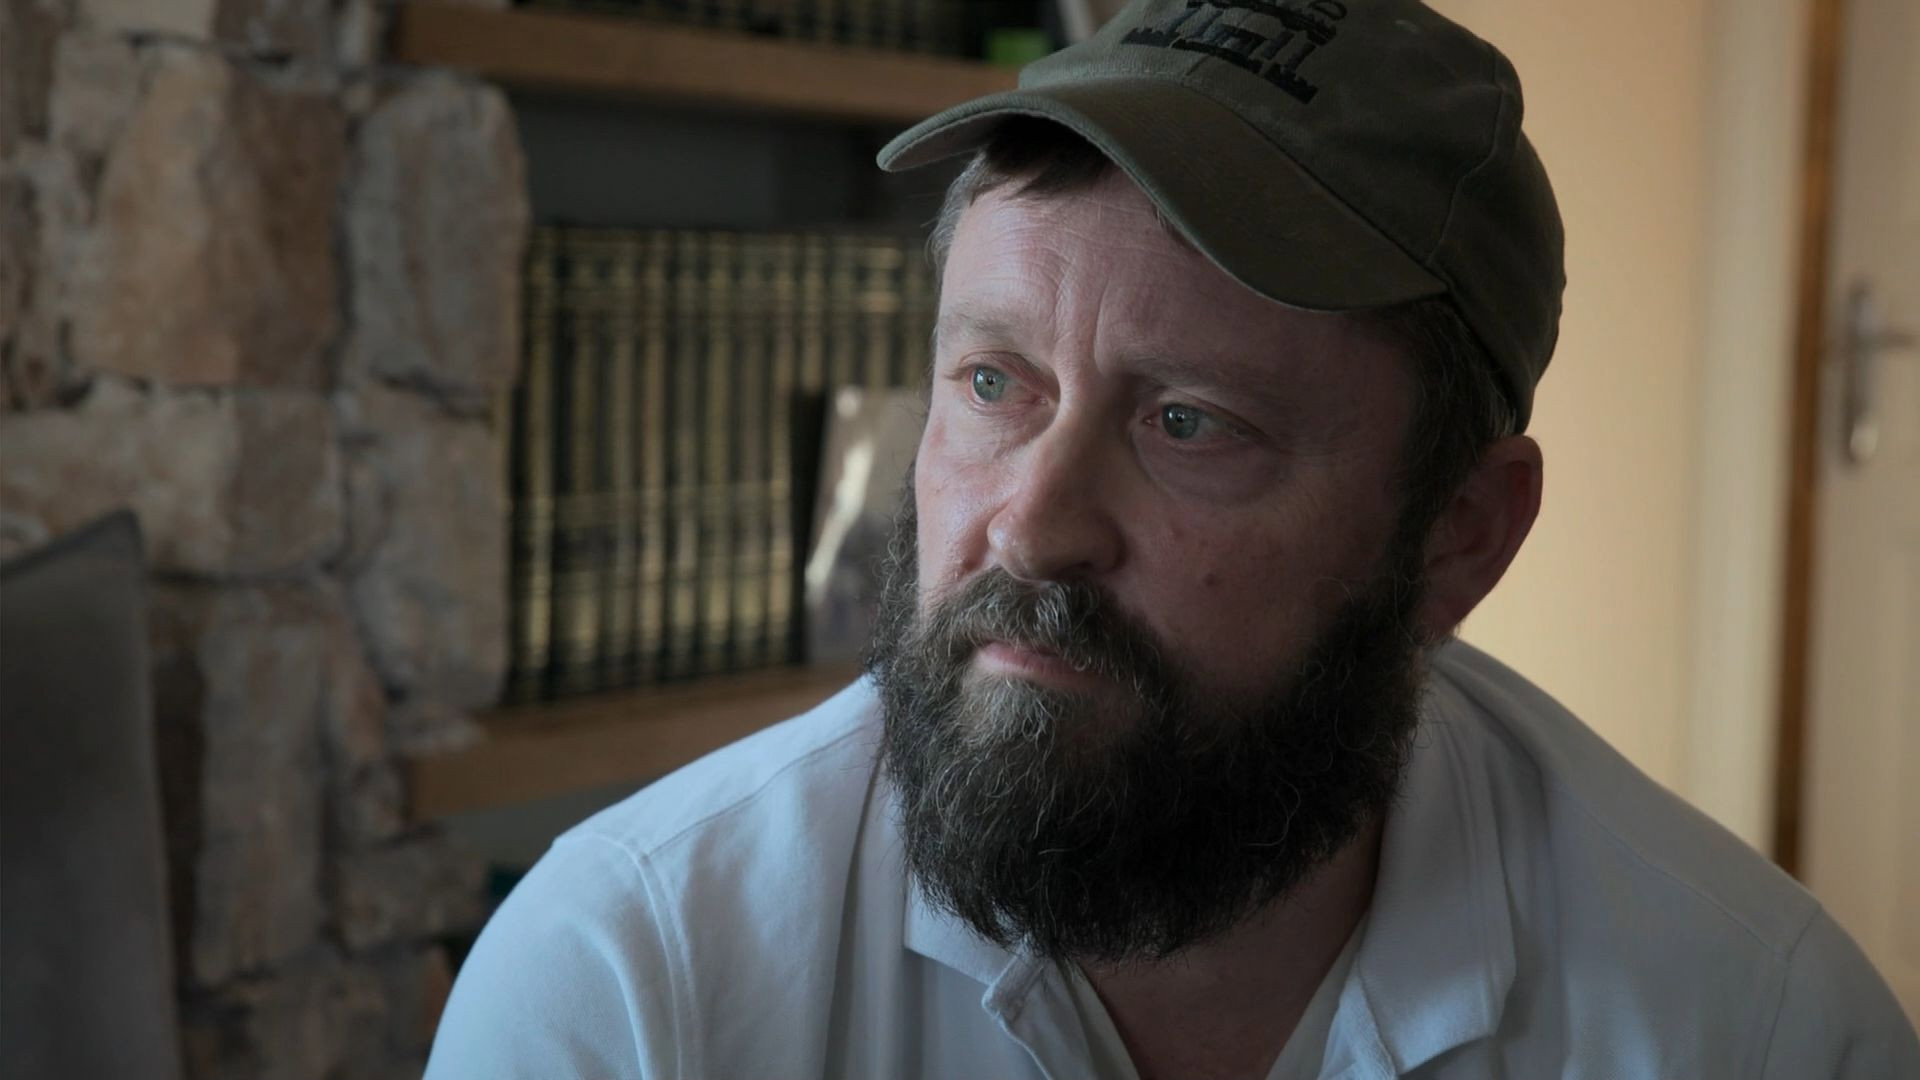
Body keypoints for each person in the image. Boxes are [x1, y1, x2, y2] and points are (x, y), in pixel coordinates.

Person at [427, 2, 1920, 1076]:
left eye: (1190, 422)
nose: (1033, 523)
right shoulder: (636, 989)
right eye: (995, 384)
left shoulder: (1753, 1030)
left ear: (1460, 538)